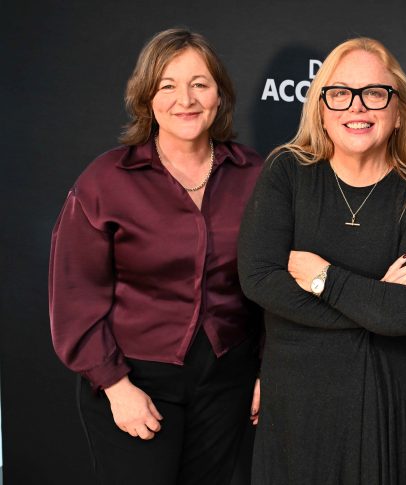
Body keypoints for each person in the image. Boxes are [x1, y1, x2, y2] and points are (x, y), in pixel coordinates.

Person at [48, 29, 263, 485]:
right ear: (146, 98)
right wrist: (115, 385)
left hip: (228, 380)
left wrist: (268, 371)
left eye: (199, 84)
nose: (185, 99)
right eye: (167, 85)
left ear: (220, 95)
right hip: (135, 379)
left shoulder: (256, 174)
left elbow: (270, 284)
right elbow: (74, 296)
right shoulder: (106, 180)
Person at [237, 37, 406, 485]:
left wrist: (325, 279)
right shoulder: (286, 173)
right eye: (340, 93)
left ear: (397, 114)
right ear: (320, 108)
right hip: (298, 400)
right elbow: (259, 279)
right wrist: (374, 302)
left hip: (387, 402)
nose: (358, 107)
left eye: (375, 93)